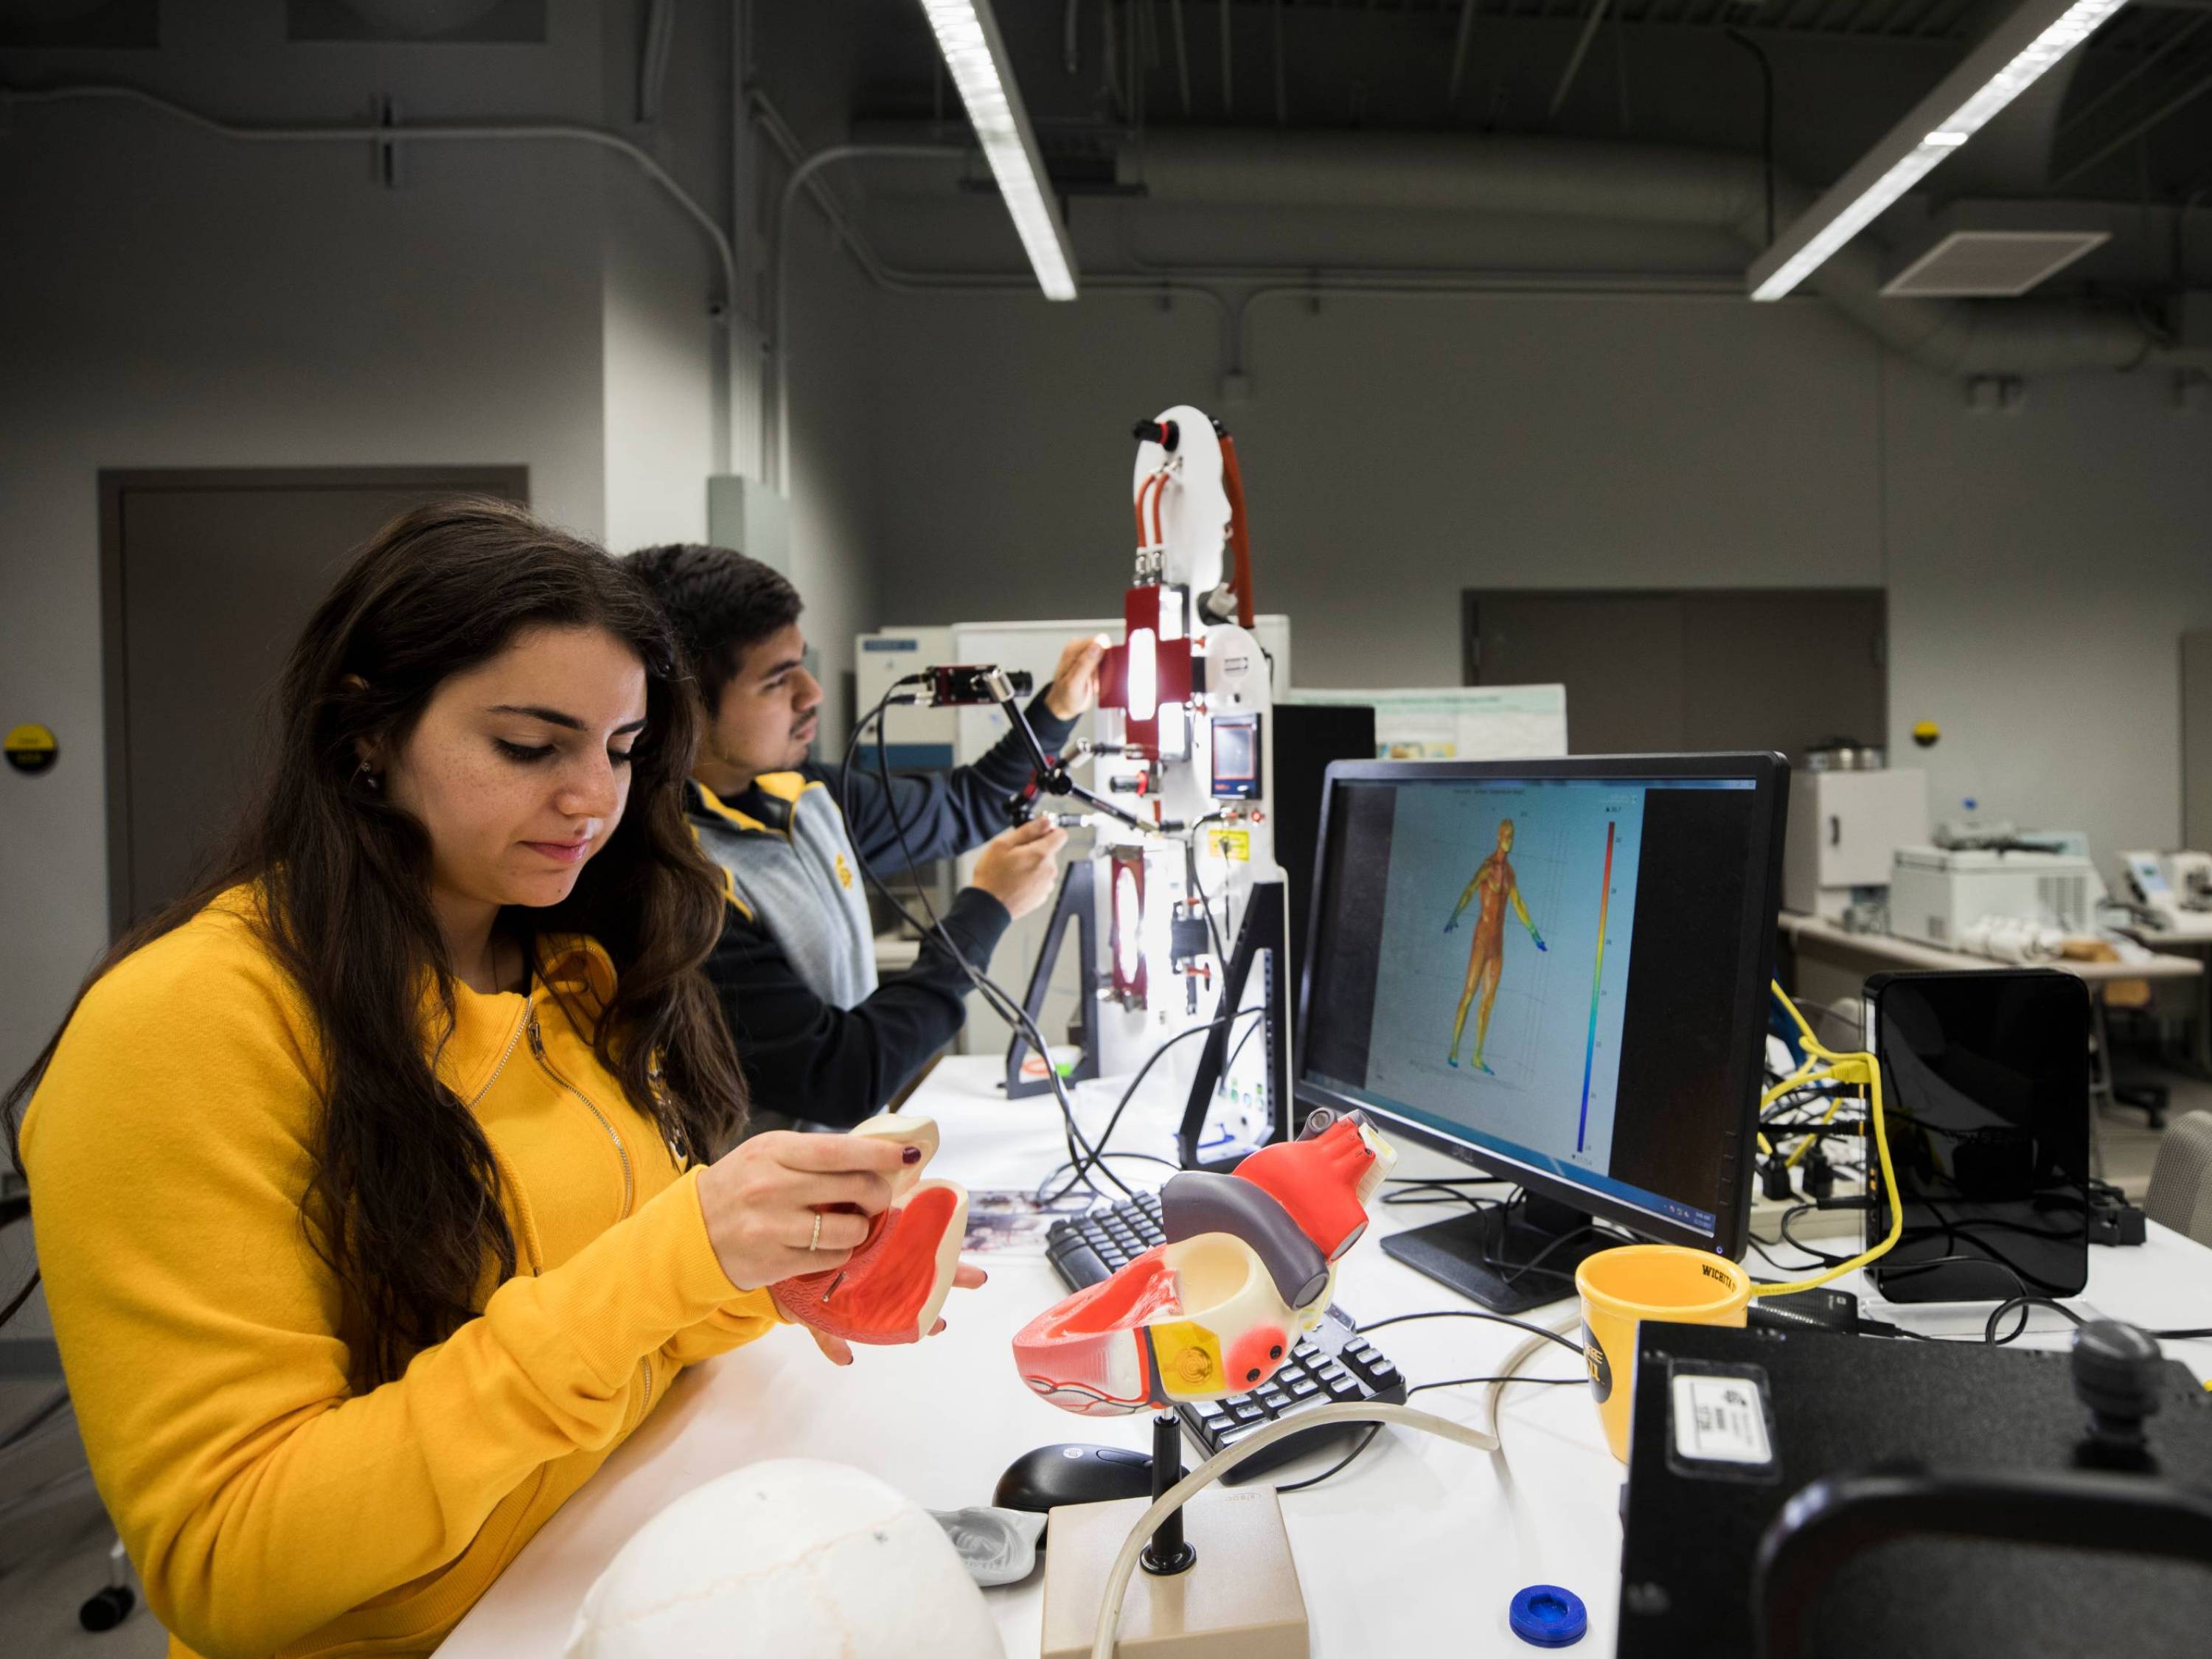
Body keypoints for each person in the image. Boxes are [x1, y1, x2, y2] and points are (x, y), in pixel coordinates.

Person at [6, 500, 980, 1659]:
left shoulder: (566, 963)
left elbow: (608, 1319)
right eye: (530, 747)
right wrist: (682, 1252)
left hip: (602, 1561)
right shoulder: (185, 1024)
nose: (595, 801)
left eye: (623, 751)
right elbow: (232, 1561)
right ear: (367, 729)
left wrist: (773, 1266)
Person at [623, 543, 1107, 1130]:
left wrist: (1057, 708)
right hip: (768, 1211)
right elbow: (838, 1077)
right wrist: (986, 909)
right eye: (778, 681)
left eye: (801, 663)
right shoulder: (675, 880)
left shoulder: (803, 795)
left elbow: (968, 804)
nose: (812, 693)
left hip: (846, 1178)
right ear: (687, 705)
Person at [1444, 816, 1548, 1073]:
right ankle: (1455, 1048)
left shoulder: (1510, 874)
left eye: (1512, 836)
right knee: (1469, 993)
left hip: (1497, 945)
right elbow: (1469, 890)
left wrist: (1534, 933)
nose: (1509, 840)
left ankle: (1477, 1056)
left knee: (1487, 1000)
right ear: (1498, 836)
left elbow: (1518, 904)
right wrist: (1455, 916)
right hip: (1481, 940)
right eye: (1506, 835)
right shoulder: (1488, 867)